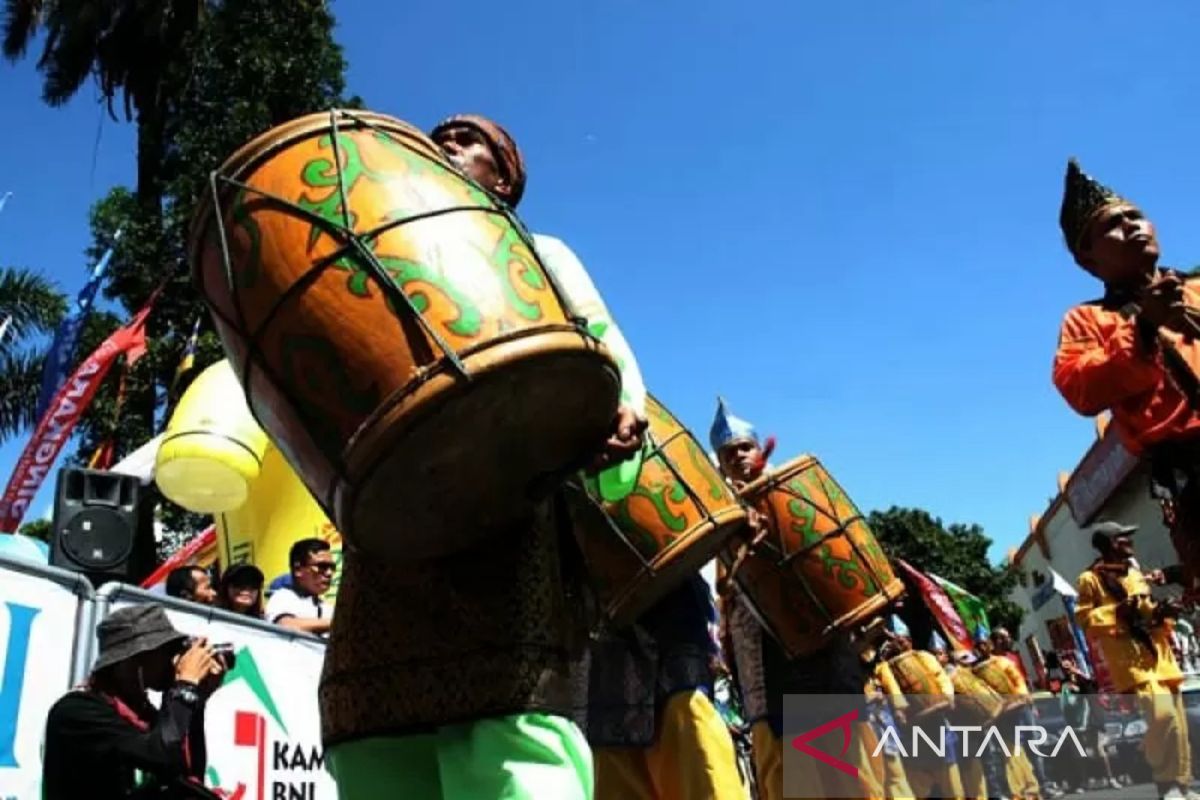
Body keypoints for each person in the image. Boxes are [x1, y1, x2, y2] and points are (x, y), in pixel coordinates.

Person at [317, 114, 646, 800]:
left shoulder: (538, 248)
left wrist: (621, 402)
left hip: (506, 498)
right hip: (390, 513)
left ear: (506, 177)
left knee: (512, 727)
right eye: (440, 137)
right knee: (372, 738)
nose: (446, 145)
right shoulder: (370, 246)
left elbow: (599, 332)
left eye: (468, 140)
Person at [712, 398, 887, 800]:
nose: (738, 456)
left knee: (851, 778)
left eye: (744, 447)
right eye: (728, 452)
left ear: (760, 450)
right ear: (719, 463)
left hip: (822, 658)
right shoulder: (719, 517)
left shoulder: (795, 498)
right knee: (787, 783)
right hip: (763, 673)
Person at [1052, 159, 1200, 596]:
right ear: (1088, 258)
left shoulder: (1194, 288)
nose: (1131, 226)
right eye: (1113, 225)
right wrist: (1146, 328)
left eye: (1135, 216)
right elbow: (1081, 390)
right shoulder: (1087, 319)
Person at [42, 604, 226, 799]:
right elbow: (160, 755)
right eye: (167, 651)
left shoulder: (142, 714)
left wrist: (197, 703)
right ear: (133, 660)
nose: (173, 660)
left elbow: (187, 775)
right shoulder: (77, 711)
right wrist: (185, 687)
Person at [1075, 521, 1194, 800]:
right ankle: (1164, 781)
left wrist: (1165, 612)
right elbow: (1085, 619)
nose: (1129, 541)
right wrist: (1119, 611)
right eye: (1122, 538)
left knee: (1178, 725)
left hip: (1160, 657)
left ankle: (1182, 784)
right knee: (1164, 718)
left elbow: (1147, 612)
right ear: (1108, 545)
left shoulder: (1136, 574)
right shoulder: (1089, 579)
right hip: (1132, 661)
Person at [972, 625, 1045, 800]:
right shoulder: (975, 670)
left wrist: (1021, 704)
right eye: (978, 645)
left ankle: (1042, 785)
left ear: (989, 644)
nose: (982, 648)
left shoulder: (1005, 662)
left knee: (1032, 748)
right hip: (1000, 716)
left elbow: (1020, 688)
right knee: (1010, 754)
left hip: (1019, 710)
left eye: (984, 644)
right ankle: (1019, 791)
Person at [1059, 656, 1122, 794]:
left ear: (1074, 665)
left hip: (1090, 719)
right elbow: (1064, 701)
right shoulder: (1063, 684)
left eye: (1068, 667)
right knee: (1078, 752)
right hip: (1074, 721)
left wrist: (1079, 675)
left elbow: (1093, 689)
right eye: (1064, 669)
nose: (1067, 671)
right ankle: (1084, 782)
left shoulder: (1084, 679)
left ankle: (1111, 778)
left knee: (1098, 749)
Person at [265, 539, 334, 636]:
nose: (329, 573)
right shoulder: (282, 597)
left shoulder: (329, 609)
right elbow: (286, 626)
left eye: (332, 567)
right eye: (322, 566)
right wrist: (335, 624)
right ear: (298, 569)